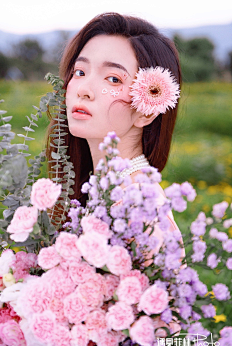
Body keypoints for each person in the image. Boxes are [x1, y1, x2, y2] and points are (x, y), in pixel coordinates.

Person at [46, 12, 181, 209]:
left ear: (148, 110)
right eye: (80, 72)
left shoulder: (141, 208)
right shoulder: (98, 194)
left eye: (113, 79)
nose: (84, 90)